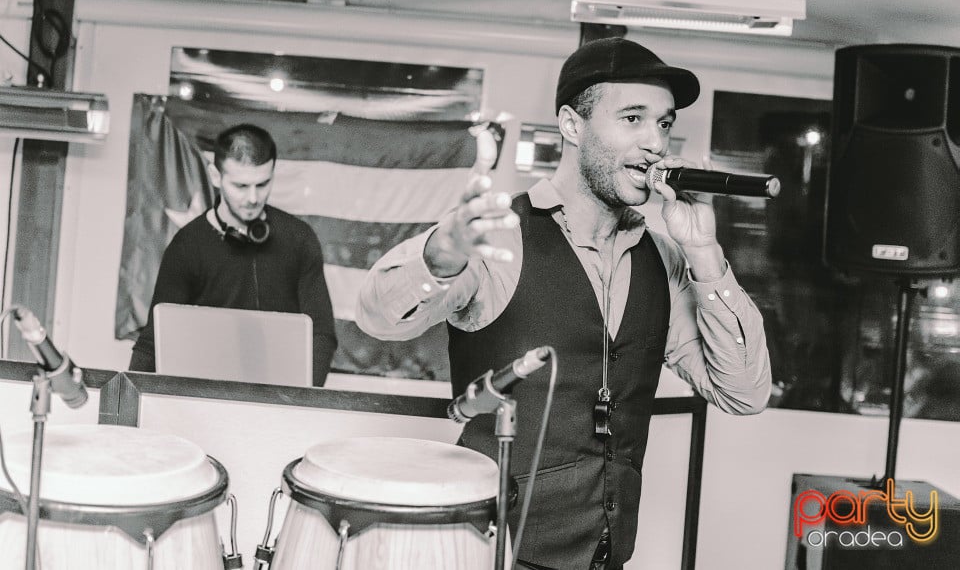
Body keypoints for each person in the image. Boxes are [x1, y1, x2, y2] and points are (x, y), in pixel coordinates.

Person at [356, 37, 771, 569]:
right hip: (491, 552)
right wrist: (438, 258)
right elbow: (379, 319)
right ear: (573, 126)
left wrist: (704, 251)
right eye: (633, 118)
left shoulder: (665, 259)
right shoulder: (503, 235)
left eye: (663, 123)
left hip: (605, 556)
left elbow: (744, 392)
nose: (655, 143)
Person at [130, 124, 337, 386]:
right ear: (216, 176)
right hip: (205, 395)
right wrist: (130, 396)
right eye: (241, 186)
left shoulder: (299, 239)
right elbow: (154, 340)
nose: (253, 198)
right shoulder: (187, 246)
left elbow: (321, 334)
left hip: (281, 398)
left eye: (263, 184)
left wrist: (298, 399)